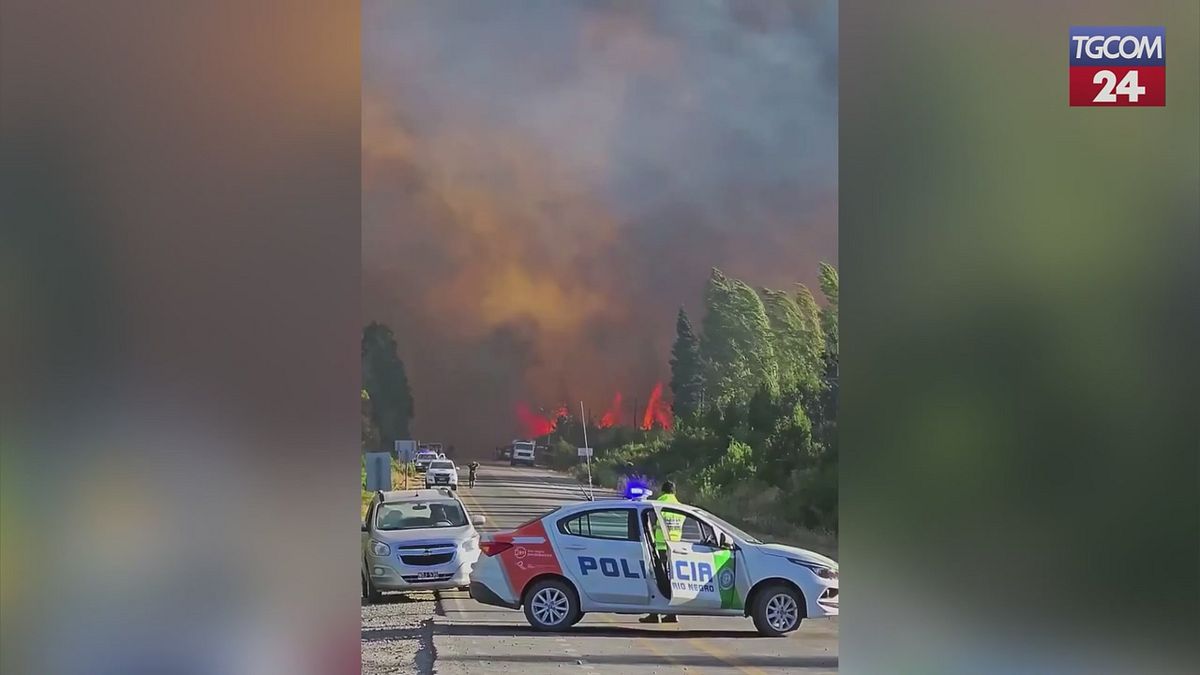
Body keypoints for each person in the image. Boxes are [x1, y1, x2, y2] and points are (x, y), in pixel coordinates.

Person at [640, 480, 684, 624]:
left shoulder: (659, 503)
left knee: (657, 581)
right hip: (676, 549)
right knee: (673, 582)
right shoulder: (680, 506)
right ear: (674, 492)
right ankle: (673, 614)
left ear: (663, 491)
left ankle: (655, 614)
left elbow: (648, 522)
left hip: (660, 548)